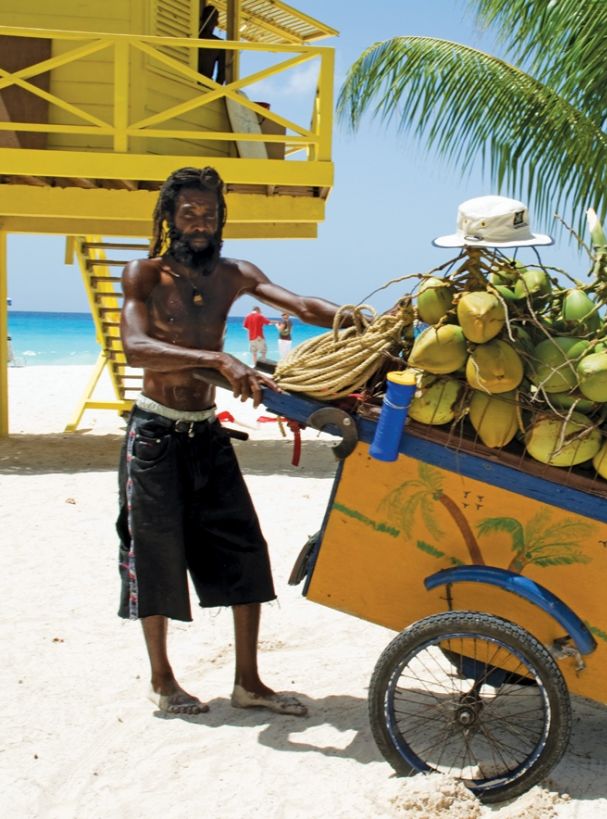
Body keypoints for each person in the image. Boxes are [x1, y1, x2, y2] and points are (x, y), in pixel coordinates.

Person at [118, 166, 345, 716]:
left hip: (205, 433)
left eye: (210, 215)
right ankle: (163, 681)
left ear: (221, 220)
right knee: (155, 555)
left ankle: (249, 683)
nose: (200, 224)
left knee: (245, 549)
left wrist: (362, 320)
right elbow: (136, 347)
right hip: (154, 434)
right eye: (189, 214)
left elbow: (304, 307)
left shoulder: (234, 273)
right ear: (170, 218)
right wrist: (218, 359)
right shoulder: (144, 275)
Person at [197, 4, 225, 85]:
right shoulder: (194, 37)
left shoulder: (220, 44)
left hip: (205, 83)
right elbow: (222, 72)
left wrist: (217, 88)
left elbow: (222, 72)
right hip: (196, 80)